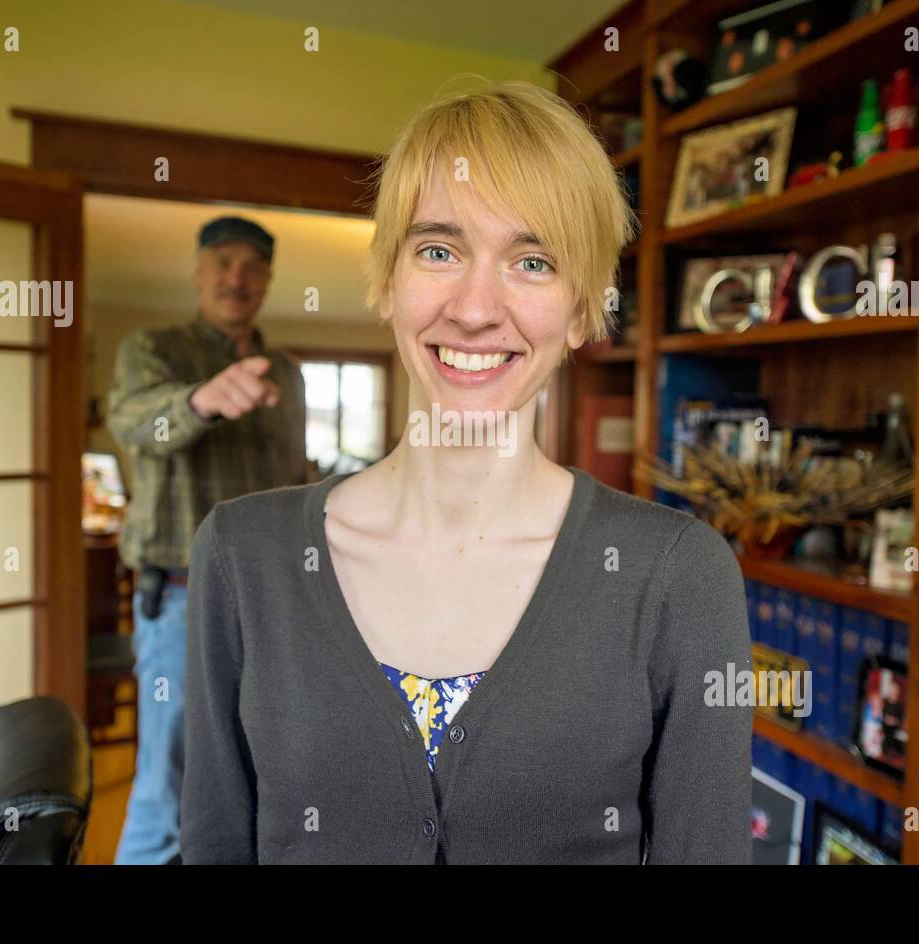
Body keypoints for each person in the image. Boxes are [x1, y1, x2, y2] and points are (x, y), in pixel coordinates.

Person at [181, 81, 752, 864]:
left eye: (533, 260)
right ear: (386, 280)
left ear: (583, 310)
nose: (477, 308)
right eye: (439, 250)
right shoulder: (243, 555)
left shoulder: (678, 575)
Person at [107, 215, 308, 864]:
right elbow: (136, 425)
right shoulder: (152, 349)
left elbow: (293, 482)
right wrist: (200, 401)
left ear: (269, 281)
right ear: (196, 272)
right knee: (169, 783)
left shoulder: (286, 371)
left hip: (275, 601)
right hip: (182, 601)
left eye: (253, 266)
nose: (236, 277)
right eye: (222, 262)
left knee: (264, 771)